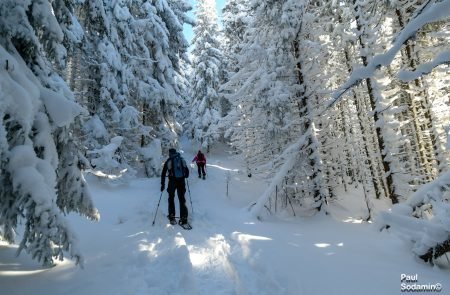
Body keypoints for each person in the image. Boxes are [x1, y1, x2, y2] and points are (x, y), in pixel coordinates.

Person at [160, 148, 189, 225]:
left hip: (172, 182)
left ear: (170, 153)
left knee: (171, 198)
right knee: (182, 199)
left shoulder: (169, 161)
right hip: (181, 181)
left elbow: (163, 173)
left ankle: (172, 216)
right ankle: (184, 218)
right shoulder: (181, 159)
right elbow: (187, 173)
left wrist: (162, 184)